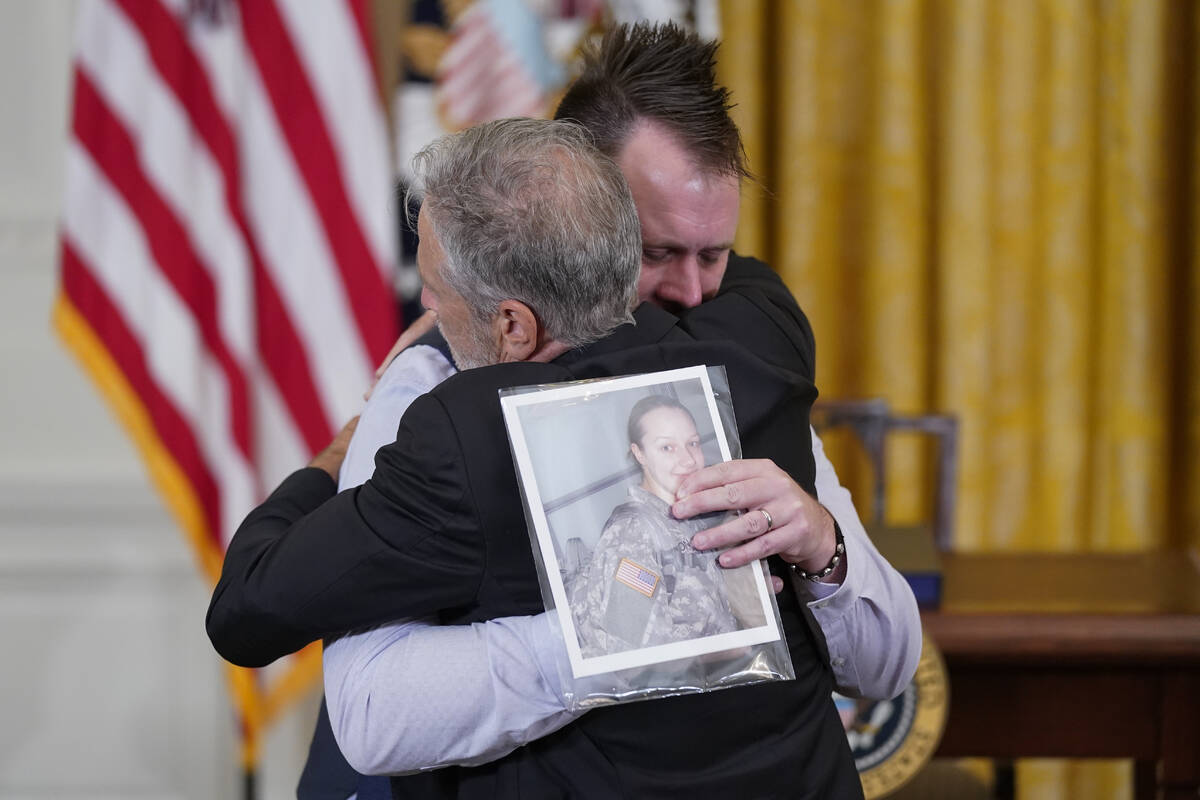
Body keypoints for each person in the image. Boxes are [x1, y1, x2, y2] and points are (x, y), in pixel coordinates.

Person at [298, 21, 922, 789]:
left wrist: (825, 550)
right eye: (656, 254)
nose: (694, 293)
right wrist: (617, 636)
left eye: (715, 255)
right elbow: (371, 711)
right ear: (577, 214)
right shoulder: (434, 381)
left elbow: (889, 663)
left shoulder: (738, 366)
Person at [209, 116, 863, 798]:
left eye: (436, 291)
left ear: (513, 326)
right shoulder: (762, 349)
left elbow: (247, 612)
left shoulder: (466, 436)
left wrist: (337, 455)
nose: (427, 309)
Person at [569, 395, 744, 657]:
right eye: (667, 448)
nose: (688, 460)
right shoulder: (633, 531)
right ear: (639, 453)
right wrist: (735, 650)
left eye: (692, 443)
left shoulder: (686, 519)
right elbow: (637, 652)